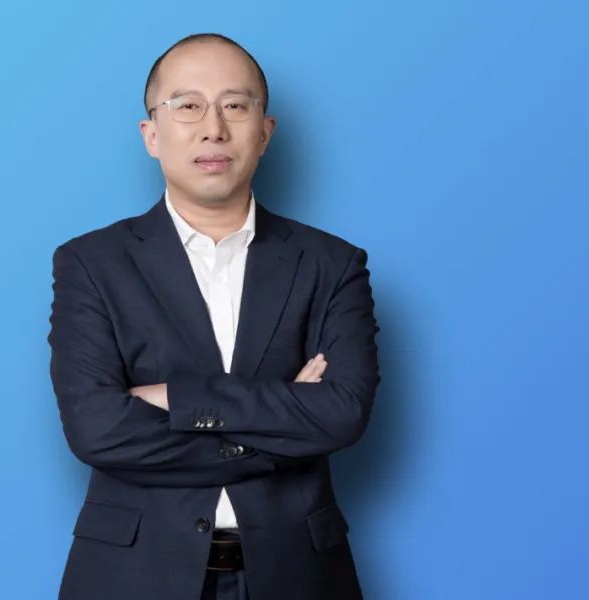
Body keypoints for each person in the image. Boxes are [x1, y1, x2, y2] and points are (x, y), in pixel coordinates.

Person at [48, 32, 380, 600]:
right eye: (188, 106)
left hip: (297, 575)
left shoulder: (332, 263)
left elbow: (342, 413)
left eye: (235, 105)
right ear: (152, 134)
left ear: (265, 131)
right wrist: (283, 419)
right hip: (132, 576)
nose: (213, 128)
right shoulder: (91, 263)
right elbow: (96, 430)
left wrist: (179, 400)